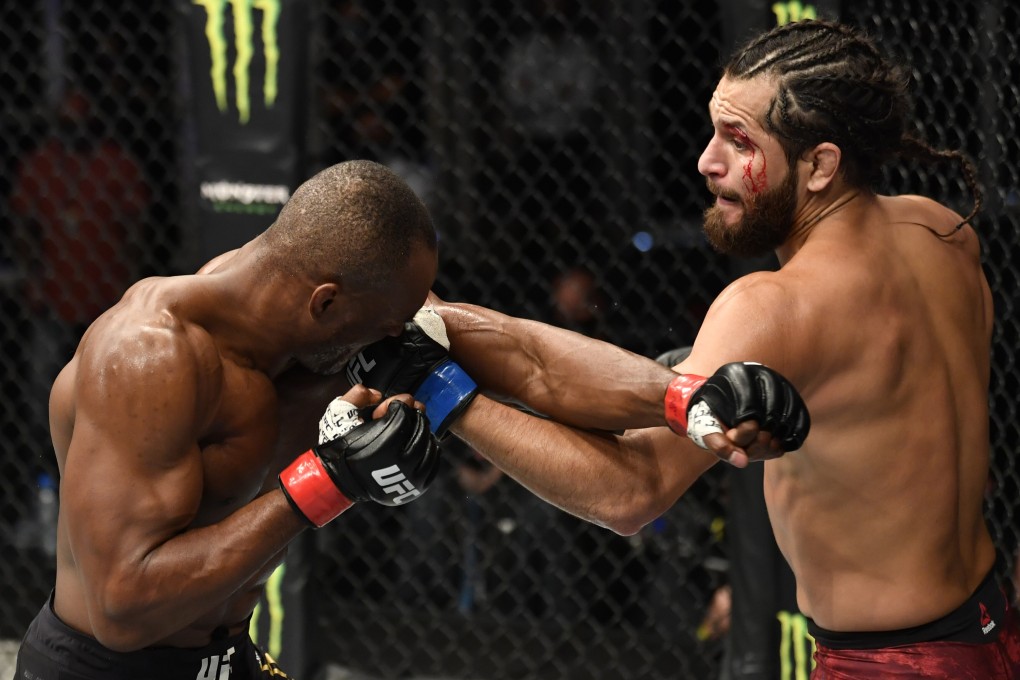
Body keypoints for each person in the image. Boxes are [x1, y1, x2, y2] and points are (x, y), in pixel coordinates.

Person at [350, 19, 1020, 678]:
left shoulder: (773, 308)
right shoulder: (940, 232)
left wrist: (445, 394)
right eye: (713, 131)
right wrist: (437, 320)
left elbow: (630, 493)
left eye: (738, 140)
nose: (706, 161)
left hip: (889, 664)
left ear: (820, 165)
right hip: (991, 627)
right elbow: (545, 368)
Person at [14, 160, 444, 680]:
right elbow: (121, 610)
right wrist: (330, 480)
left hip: (228, 659)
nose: (391, 339)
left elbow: (441, 325)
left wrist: (446, 387)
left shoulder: (289, 312)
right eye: (385, 325)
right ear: (325, 302)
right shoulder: (150, 357)